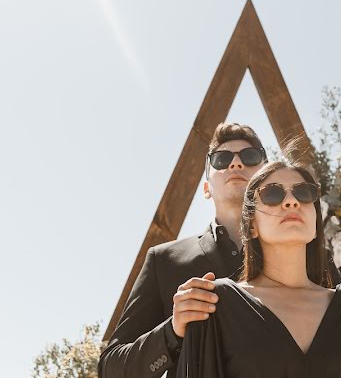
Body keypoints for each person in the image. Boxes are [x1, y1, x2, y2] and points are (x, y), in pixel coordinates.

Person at [175, 157, 341, 378]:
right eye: (272, 194)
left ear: (315, 221)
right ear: (251, 226)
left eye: (304, 193)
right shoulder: (216, 304)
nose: (292, 201)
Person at [98, 123, 270, 378]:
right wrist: (173, 330)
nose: (235, 164)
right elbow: (111, 369)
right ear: (206, 188)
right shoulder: (164, 260)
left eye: (250, 157)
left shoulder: (302, 254)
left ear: (268, 177)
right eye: (221, 159)